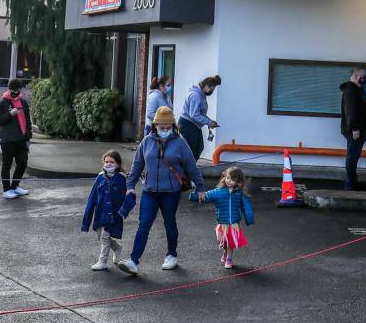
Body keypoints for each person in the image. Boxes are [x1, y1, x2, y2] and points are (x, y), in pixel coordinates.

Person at [116, 106, 204, 276]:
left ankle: (171, 255)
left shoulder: (180, 143)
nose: (164, 130)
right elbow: (137, 165)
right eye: (161, 127)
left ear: (173, 126)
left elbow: (191, 166)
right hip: (149, 191)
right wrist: (130, 186)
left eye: (168, 127)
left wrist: (200, 187)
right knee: (144, 224)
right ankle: (133, 261)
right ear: (155, 125)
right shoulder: (146, 141)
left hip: (171, 192)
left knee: (169, 222)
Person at [81, 150, 136, 270]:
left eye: (112, 162)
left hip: (114, 215)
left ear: (118, 164)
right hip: (100, 214)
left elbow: (131, 197)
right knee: (101, 236)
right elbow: (92, 199)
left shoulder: (122, 179)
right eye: (106, 162)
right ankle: (117, 247)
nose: (108, 164)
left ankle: (102, 262)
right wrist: (86, 222)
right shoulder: (100, 178)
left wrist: (123, 211)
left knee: (105, 237)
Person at [190, 166, 254, 269]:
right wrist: (193, 196)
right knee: (220, 240)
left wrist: (249, 219)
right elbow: (206, 196)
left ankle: (229, 258)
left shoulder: (239, 194)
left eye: (233, 179)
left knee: (230, 242)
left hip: (233, 224)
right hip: (222, 223)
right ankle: (224, 252)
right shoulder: (219, 191)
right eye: (228, 178)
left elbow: (246, 206)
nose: (229, 181)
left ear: (238, 181)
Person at [0, 79, 32, 200]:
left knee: (22, 162)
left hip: (21, 138)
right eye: (13, 90)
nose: (16, 92)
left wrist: (28, 137)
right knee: (7, 164)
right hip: (7, 139)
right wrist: (10, 114)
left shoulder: (23, 102)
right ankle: (6, 190)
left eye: (18, 90)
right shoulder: (3, 102)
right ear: (9, 89)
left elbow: (27, 120)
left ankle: (15, 186)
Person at [340, 66, 366, 191]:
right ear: (355, 76)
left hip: (361, 128)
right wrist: (354, 128)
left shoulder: (357, 89)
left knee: (354, 155)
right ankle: (350, 184)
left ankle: (353, 182)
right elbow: (350, 111)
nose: (364, 79)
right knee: (352, 155)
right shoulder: (350, 90)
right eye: (362, 76)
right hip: (356, 130)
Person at [179, 75, 221, 162]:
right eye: (212, 88)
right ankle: (187, 169)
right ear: (206, 86)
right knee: (193, 149)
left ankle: (190, 168)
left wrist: (210, 122)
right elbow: (194, 115)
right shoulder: (196, 96)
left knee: (199, 147)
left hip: (193, 125)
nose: (212, 91)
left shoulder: (201, 95)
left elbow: (200, 113)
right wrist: (209, 122)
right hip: (188, 124)